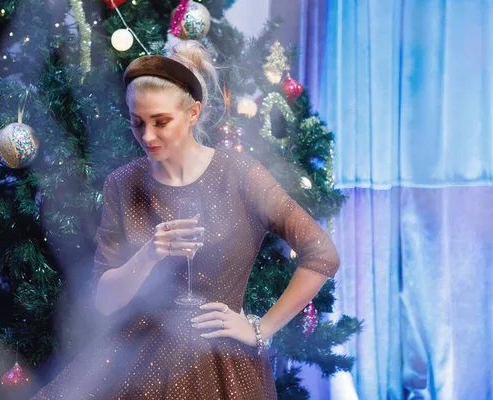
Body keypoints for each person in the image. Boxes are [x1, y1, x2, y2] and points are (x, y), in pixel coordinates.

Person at [31, 40, 340, 399]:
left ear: (193, 113)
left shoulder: (240, 175)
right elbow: (104, 300)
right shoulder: (123, 183)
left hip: (224, 367)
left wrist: (260, 329)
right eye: (137, 123)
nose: (147, 136)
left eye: (161, 122)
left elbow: (322, 254)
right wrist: (149, 253)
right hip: (136, 364)